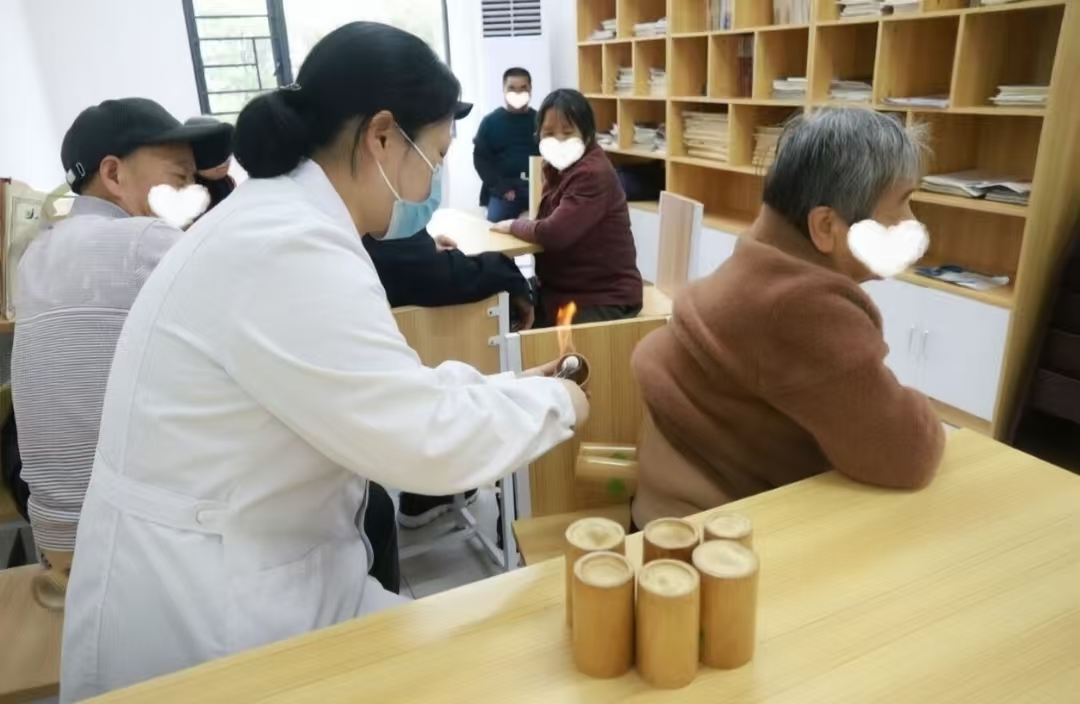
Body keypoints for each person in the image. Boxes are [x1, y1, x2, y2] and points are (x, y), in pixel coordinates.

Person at [61, 23, 588, 701]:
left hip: (256, 562)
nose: (433, 181)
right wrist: (557, 404)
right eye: (434, 155)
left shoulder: (287, 221)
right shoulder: (287, 246)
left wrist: (511, 386)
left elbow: (382, 387)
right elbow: (421, 440)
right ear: (381, 137)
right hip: (205, 608)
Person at [629, 109, 946, 528]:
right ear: (826, 226)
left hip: (666, 508)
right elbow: (908, 452)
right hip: (712, 537)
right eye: (903, 202)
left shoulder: (759, 259)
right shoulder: (806, 309)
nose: (913, 224)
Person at [10, 98, 231, 581]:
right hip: (129, 543)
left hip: (54, 537)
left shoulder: (35, 255)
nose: (193, 193)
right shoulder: (144, 239)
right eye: (180, 178)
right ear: (113, 174)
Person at [364, 228, 536, 529]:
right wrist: (520, 287)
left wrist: (422, 245)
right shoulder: (408, 262)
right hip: (431, 401)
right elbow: (481, 272)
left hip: (384, 411)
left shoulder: (350, 250)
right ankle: (441, 489)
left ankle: (426, 493)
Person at [493, 89, 642, 327]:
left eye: (568, 132)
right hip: (563, 289)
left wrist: (513, 225)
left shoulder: (592, 173)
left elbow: (554, 233)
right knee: (499, 301)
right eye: (549, 133)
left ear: (587, 134)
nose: (558, 140)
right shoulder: (557, 167)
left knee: (516, 326)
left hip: (601, 297)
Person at [473, 67, 538, 222]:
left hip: (536, 187)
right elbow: (481, 160)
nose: (518, 93)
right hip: (505, 190)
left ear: (530, 89)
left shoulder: (541, 120)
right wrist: (502, 188)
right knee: (496, 224)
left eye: (523, 88)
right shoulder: (490, 122)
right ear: (504, 90)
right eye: (512, 88)